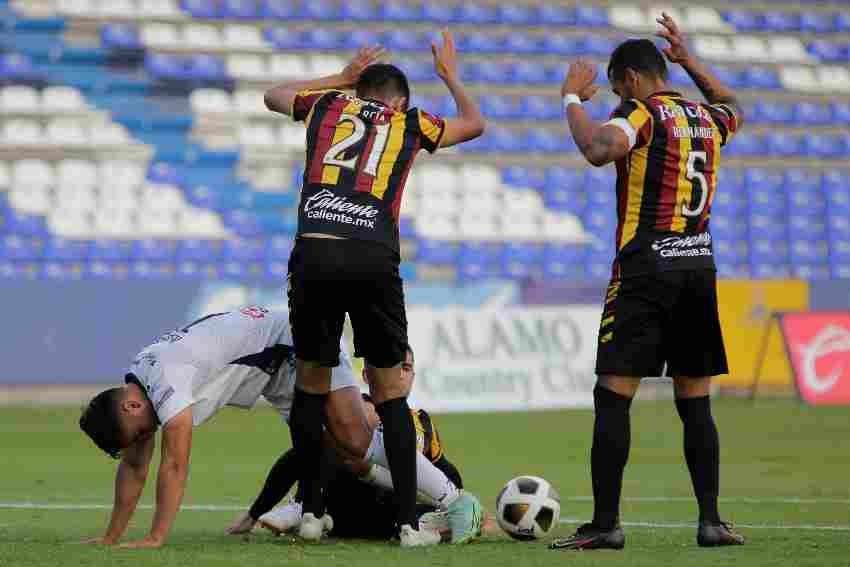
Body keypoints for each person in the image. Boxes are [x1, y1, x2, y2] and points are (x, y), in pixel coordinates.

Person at [262, 30, 485, 546]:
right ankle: (409, 525)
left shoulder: (328, 106)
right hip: (372, 257)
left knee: (312, 387)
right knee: (388, 395)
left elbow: (273, 95)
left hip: (315, 251)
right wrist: (450, 76)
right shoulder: (410, 120)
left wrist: (340, 76)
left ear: (358, 91)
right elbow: (474, 124)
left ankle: (313, 512)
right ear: (400, 100)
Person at [550, 14, 746, 550]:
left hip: (644, 270)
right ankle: (711, 522)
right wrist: (692, 62)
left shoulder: (644, 113)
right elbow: (737, 108)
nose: (616, 99)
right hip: (698, 268)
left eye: (617, 89)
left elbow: (598, 149)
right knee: (695, 400)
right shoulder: (707, 119)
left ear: (632, 80)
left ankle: (605, 525)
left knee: (613, 395)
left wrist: (571, 99)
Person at [78, 308, 468, 548]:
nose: (145, 439)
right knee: (335, 452)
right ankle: (425, 505)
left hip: (293, 339)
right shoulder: (140, 387)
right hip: (271, 369)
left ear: (131, 406)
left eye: (140, 433)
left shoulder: (164, 379)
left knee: (355, 438)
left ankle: (455, 501)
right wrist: (112, 536)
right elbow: (133, 466)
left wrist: (155, 537)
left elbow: (174, 465)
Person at [225, 347, 464, 542]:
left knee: (437, 514)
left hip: (385, 518)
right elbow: (299, 456)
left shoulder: (421, 421)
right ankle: (304, 504)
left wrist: (460, 500)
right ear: (367, 376)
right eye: (394, 366)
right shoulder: (356, 412)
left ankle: (420, 523)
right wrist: (253, 513)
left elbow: (447, 471)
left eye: (407, 368)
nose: (400, 374)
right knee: (328, 443)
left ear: (412, 376)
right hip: (344, 502)